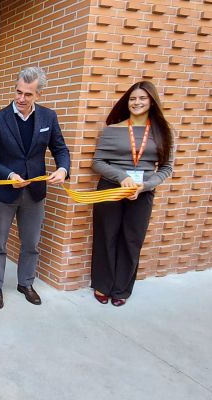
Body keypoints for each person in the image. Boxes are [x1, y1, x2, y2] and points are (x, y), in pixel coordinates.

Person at [0, 66, 70, 309]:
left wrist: (63, 169)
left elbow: (60, 149)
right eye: (18, 92)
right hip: (4, 193)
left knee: (31, 242)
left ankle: (25, 283)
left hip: (34, 194)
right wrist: (8, 174)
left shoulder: (48, 118)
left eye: (27, 94)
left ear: (39, 95)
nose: (21, 98)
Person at [90, 81, 175, 306]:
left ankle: (121, 289)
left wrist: (144, 186)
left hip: (142, 193)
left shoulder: (164, 132)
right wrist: (121, 177)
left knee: (132, 240)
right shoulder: (111, 130)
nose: (137, 102)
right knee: (106, 236)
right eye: (132, 99)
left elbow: (166, 168)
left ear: (152, 102)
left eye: (142, 98)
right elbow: (97, 162)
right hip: (110, 189)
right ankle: (102, 284)